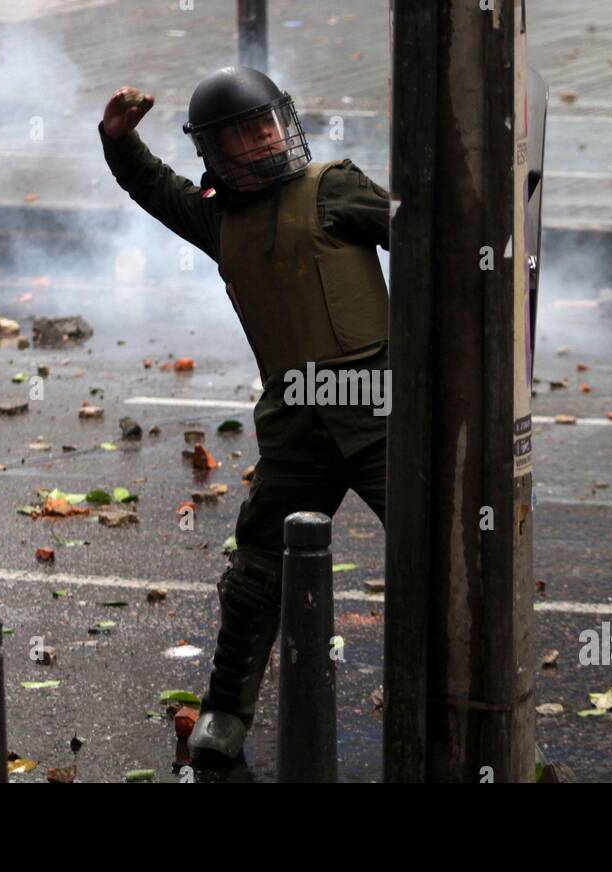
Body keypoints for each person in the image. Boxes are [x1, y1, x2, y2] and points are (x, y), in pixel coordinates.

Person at [99, 66, 391, 761]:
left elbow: (423, 242)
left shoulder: (334, 187)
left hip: (375, 412)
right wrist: (116, 139)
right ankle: (225, 715)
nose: (258, 143)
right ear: (215, 153)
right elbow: (153, 187)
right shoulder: (217, 215)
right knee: (257, 571)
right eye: (238, 136)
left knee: (431, 553)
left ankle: (446, 700)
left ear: (285, 121)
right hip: (295, 422)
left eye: (264, 125)